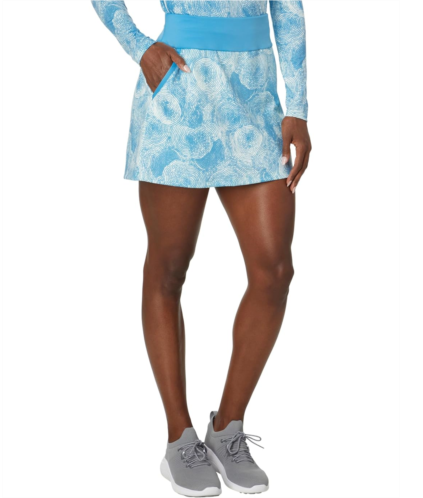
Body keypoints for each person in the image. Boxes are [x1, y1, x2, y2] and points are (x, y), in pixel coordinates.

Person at [91, 1, 312, 495]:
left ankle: (227, 428)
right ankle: (179, 438)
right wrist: (139, 47)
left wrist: (297, 106)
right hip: (179, 92)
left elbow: (289, 8)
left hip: (256, 100)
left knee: (274, 271)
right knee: (168, 269)